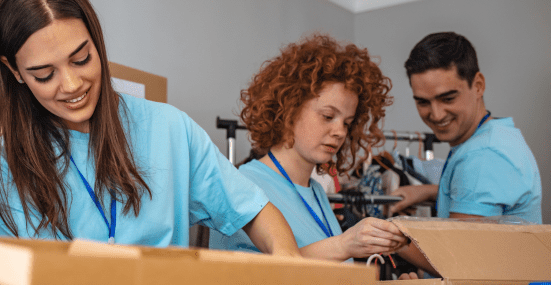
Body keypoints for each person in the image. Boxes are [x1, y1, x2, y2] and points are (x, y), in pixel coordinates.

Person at [0, 0, 300, 256]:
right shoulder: (0, 170)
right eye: (45, 75)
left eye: (82, 58)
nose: (72, 85)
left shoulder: (171, 129)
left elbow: (255, 213)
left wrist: (287, 265)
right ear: (14, 70)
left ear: (97, 40)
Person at [207, 34, 410, 266]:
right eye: (328, 116)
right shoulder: (242, 185)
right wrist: (343, 245)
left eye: (347, 122)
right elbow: (242, 276)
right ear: (289, 109)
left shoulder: (316, 193)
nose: (340, 132)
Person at [389, 32, 542, 277]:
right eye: (423, 102)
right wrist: (426, 191)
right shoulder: (496, 135)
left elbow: (461, 263)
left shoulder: (481, 158)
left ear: (478, 85)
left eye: (447, 98)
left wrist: (389, 233)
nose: (436, 115)